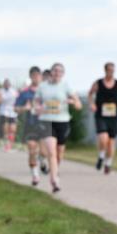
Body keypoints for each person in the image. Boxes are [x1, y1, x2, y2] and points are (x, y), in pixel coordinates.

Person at [35, 62, 82, 193]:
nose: (57, 73)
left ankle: (54, 170)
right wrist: (38, 108)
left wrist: (72, 102)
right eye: (55, 71)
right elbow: (36, 102)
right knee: (51, 151)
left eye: (60, 71)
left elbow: (78, 104)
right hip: (46, 121)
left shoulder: (66, 86)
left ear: (63, 74)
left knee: (59, 152)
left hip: (62, 121)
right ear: (51, 72)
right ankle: (54, 180)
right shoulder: (42, 87)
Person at [88, 62, 117, 174]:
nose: (111, 72)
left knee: (111, 141)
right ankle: (101, 155)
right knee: (103, 137)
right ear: (105, 70)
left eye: (113, 70)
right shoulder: (98, 83)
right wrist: (92, 104)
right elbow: (90, 94)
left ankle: (108, 163)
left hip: (114, 115)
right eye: (109, 70)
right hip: (101, 115)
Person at [15, 66, 45, 186]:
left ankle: (42, 160)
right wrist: (24, 108)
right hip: (31, 125)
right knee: (32, 150)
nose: (36, 77)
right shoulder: (25, 93)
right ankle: (35, 175)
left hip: (45, 124)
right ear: (30, 76)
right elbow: (16, 108)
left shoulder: (47, 91)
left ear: (41, 76)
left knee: (44, 152)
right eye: (33, 75)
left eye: (38, 75)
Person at [0, 78, 19, 151]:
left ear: (9, 84)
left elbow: (18, 98)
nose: (6, 85)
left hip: (12, 112)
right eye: (5, 83)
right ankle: (6, 144)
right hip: (4, 111)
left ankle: (10, 144)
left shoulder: (14, 91)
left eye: (8, 83)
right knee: (5, 129)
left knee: (13, 129)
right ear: (4, 84)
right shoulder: (0, 91)